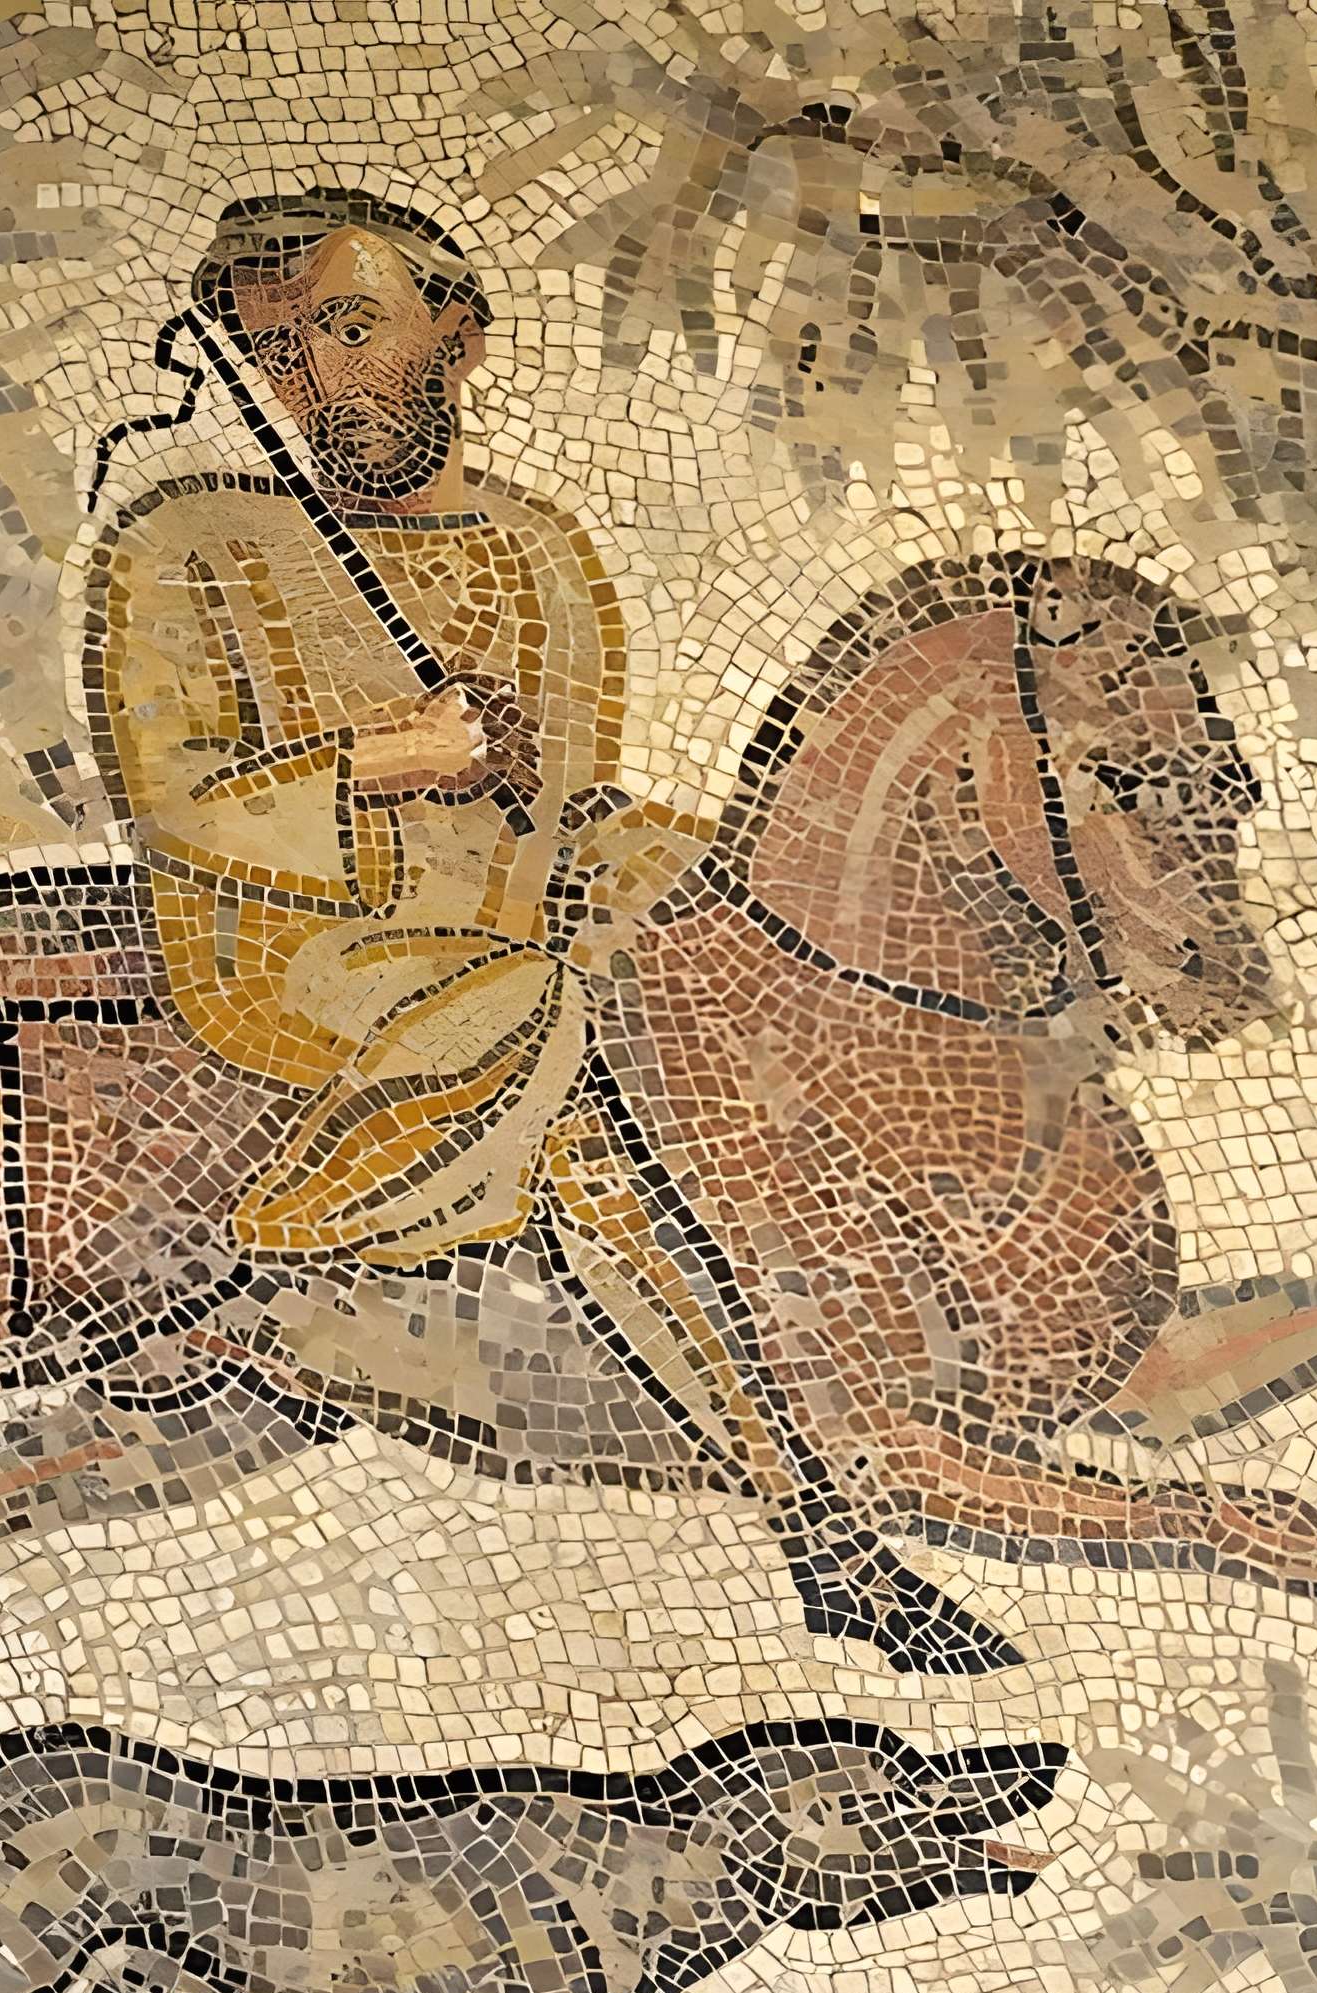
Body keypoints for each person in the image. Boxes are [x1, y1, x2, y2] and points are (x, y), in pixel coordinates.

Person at [87, 188, 1018, 1673]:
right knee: (550, 1032)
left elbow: (567, 809)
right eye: (278, 349)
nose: (315, 377)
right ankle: (307, 1253)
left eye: (346, 324)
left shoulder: (539, 550)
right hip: (297, 957)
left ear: (454, 333)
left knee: (711, 989)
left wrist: (692, 876)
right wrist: (391, 760)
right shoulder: (191, 541)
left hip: (512, 937)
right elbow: (180, 804)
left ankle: (829, 1476)